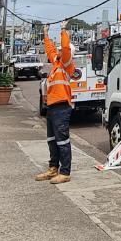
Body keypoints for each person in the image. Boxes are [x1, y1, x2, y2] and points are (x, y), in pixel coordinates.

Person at [34, 26, 78, 184]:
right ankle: (53, 168)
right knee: (52, 139)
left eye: (61, 50)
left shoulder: (67, 64)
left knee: (62, 141)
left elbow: (65, 47)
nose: (58, 51)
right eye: (58, 50)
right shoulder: (57, 63)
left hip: (61, 108)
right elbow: (50, 50)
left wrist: (64, 30)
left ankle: (65, 172)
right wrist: (45, 34)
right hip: (52, 107)